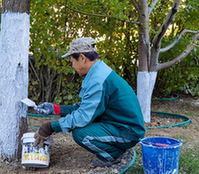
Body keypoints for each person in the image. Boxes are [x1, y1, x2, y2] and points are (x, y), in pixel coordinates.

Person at [33, 37, 145, 167]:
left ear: (82, 58)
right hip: (119, 124)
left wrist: (49, 127)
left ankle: (114, 155)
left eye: (72, 61)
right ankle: (116, 148)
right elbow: (84, 108)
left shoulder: (97, 80)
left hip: (128, 132)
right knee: (82, 126)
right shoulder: (98, 71)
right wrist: (55, 109)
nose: (72, 66)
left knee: (81, 134)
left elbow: (82, 117)